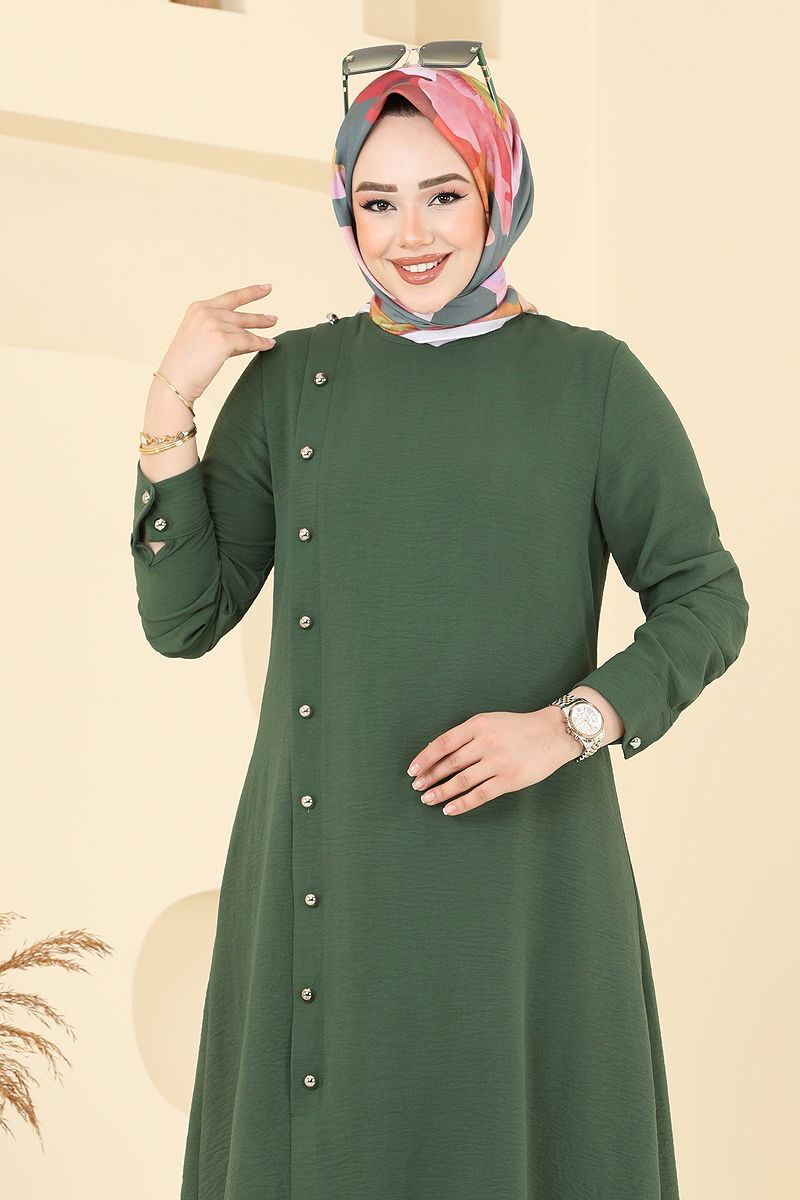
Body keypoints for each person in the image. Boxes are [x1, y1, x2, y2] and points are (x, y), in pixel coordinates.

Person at [130, 60, 749, 1200]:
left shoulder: (592, 381)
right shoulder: (295, 381)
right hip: (328, 871)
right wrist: (173, 397)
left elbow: (706, 595)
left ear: (497, 188)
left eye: (443, 195)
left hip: (525, 880)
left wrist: (567, 725)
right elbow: (185, 618)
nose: (409, 236)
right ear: (346, 210)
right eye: (378, 202)